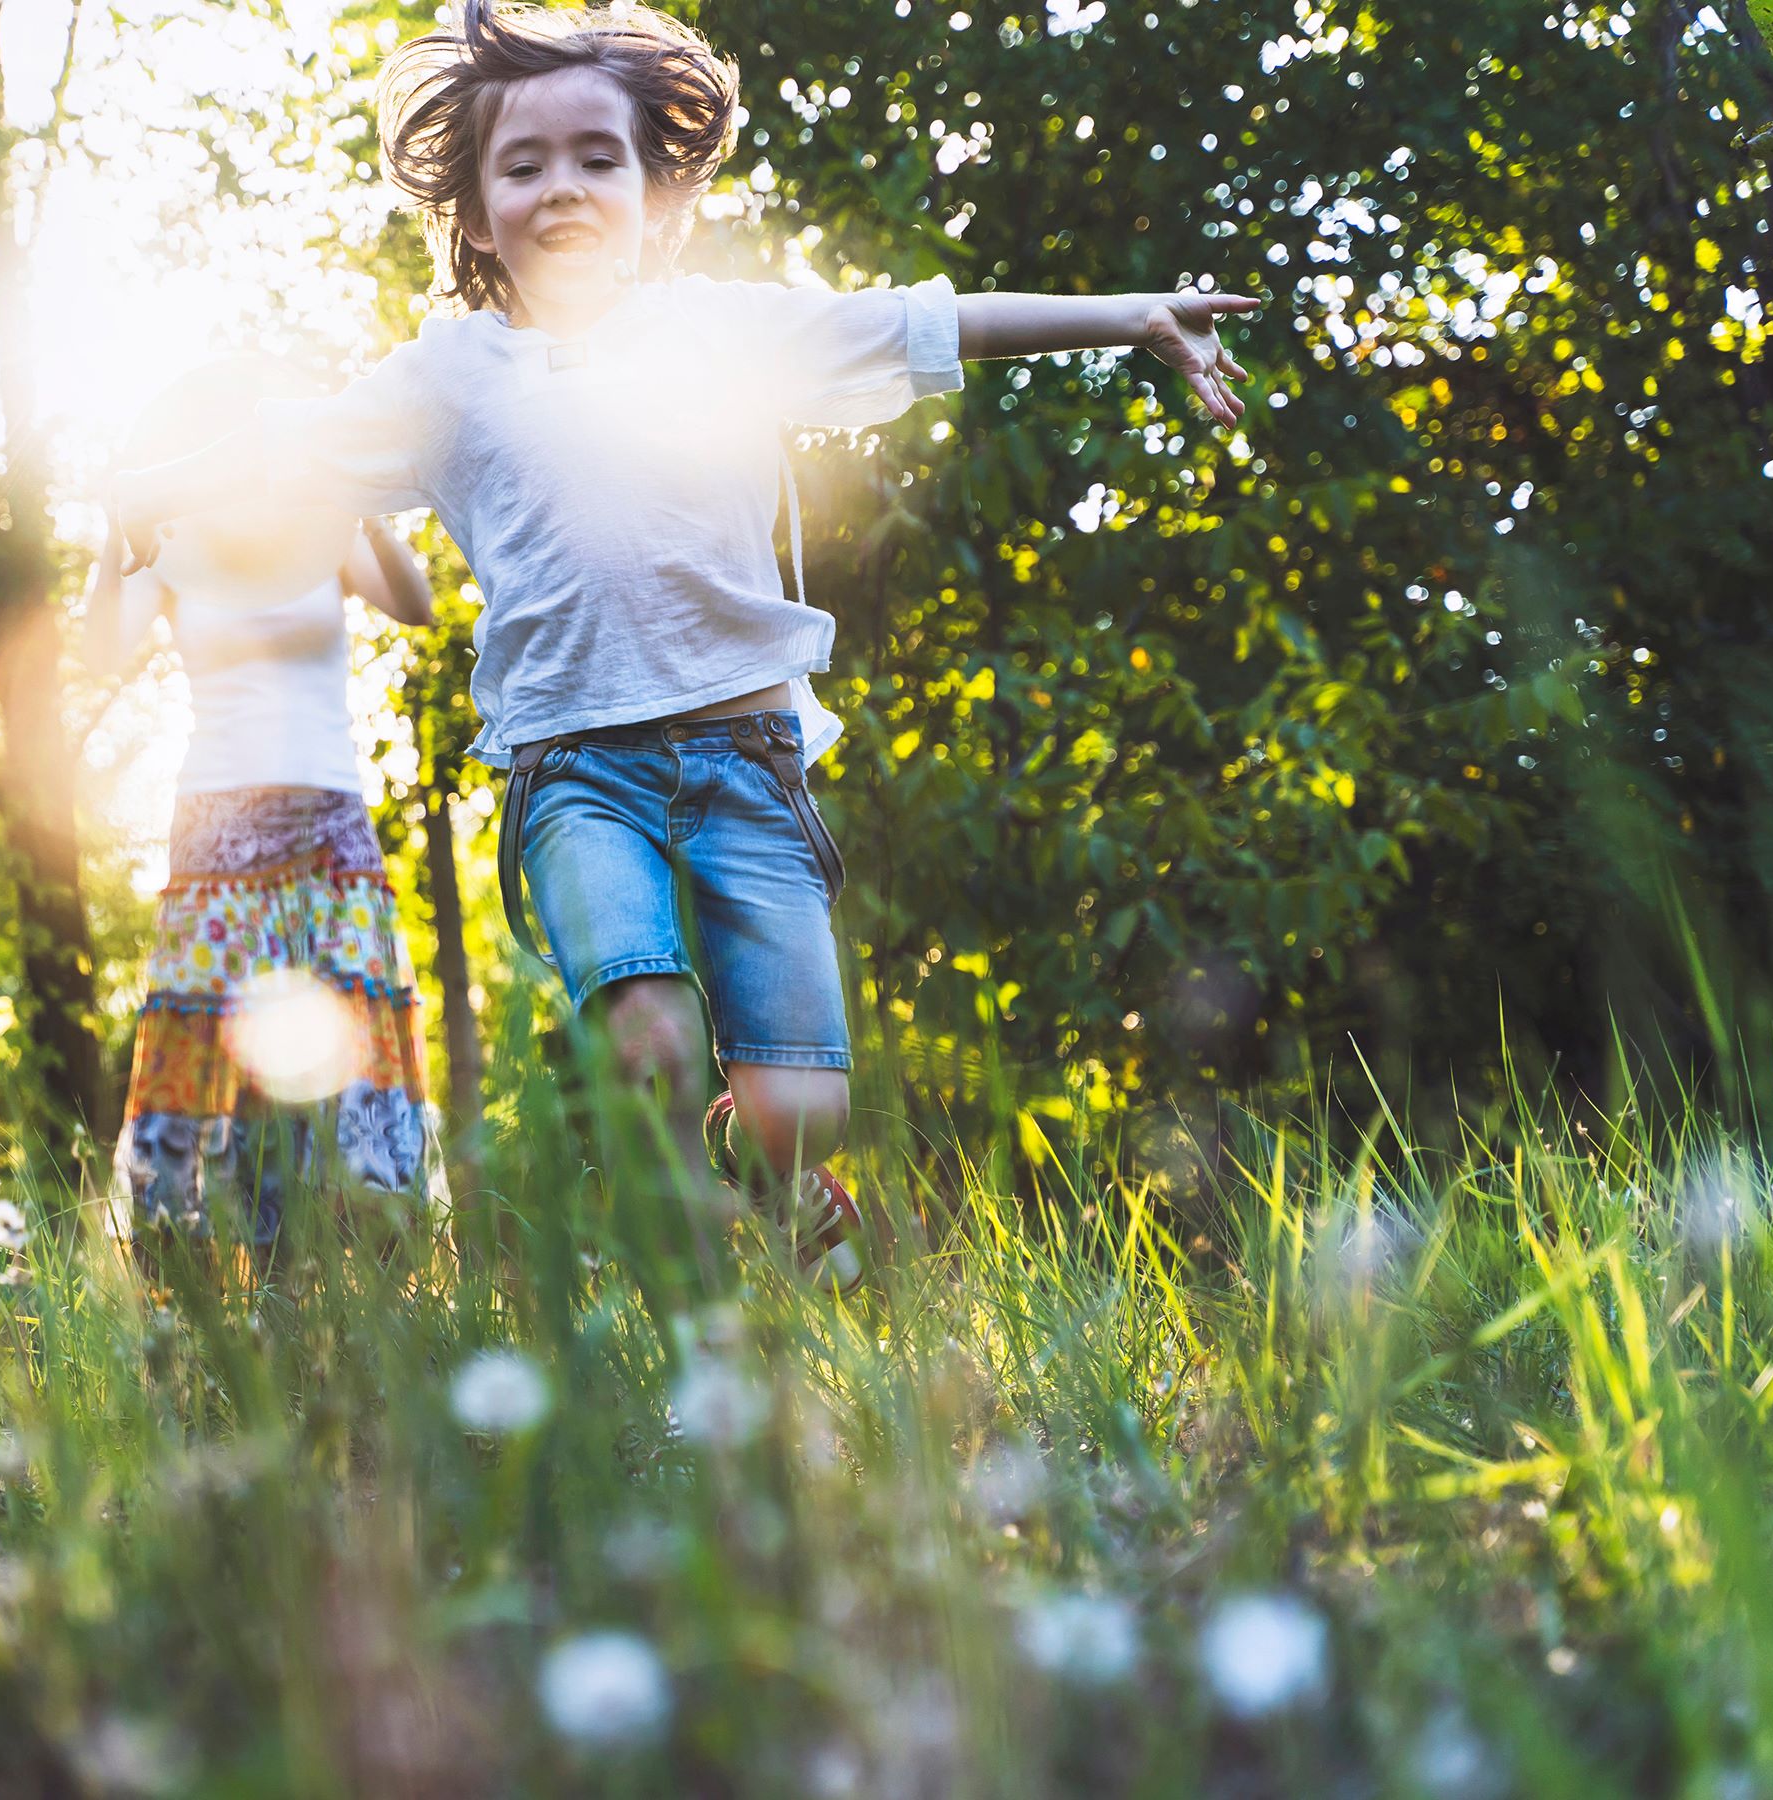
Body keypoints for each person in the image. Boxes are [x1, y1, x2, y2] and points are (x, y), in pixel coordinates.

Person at [114, 2, 1261, 1281]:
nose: (563, 189)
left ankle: (759, 1165)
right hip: (575, 773)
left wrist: (1132, 314)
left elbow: (925, 325)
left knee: (804, 1113)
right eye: (524, 165)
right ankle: (678, 1287)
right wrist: (153, 483)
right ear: (477, 209)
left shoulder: (726, 335)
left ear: (656, 193)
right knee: (650, 1040)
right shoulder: (449, 379)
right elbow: (288, 440)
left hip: (747, 759)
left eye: (597, 158)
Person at [90, 358, 442, 1260]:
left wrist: (350, 495)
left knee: (345, 1044)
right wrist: (113, 526)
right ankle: (237, 1287)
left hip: (330, 819)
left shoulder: (318, 533)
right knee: (230, 1058)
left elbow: (418, 605)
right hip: (215, 829)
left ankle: (355, 1276)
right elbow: (100, 655)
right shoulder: (170, 545)